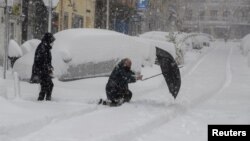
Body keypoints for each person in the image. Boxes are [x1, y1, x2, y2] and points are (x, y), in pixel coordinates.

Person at [30, 33, 55, 101]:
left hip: (43, 70)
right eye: (52, 41)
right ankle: (46, 99)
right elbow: (39, 61)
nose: (52, 43)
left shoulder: (46, 47)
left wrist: (50, 67)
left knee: (45, 86)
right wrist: (47, 67)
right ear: (48, 40)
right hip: (40, 71)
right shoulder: (42, 48)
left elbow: (47, 61)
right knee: (49, 85)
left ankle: (42, 99)